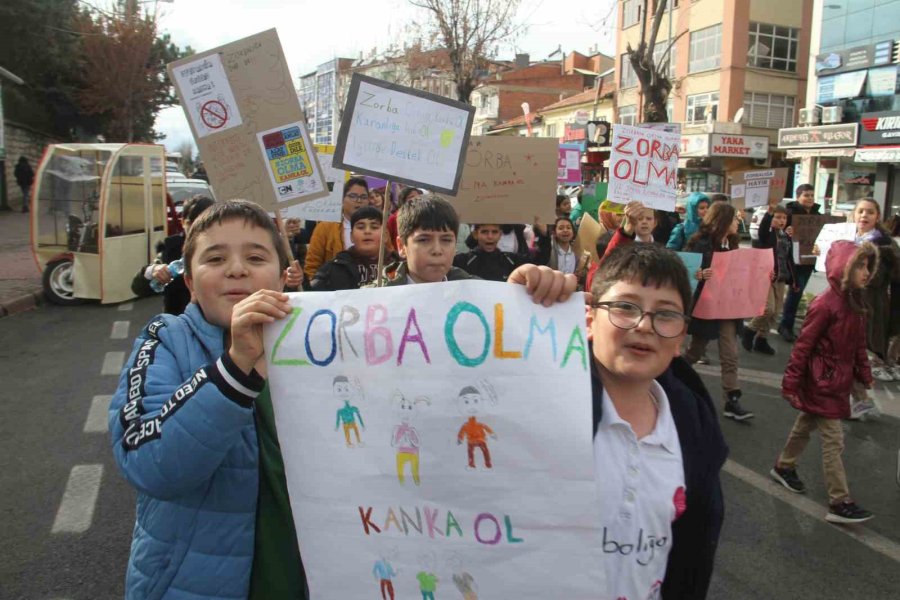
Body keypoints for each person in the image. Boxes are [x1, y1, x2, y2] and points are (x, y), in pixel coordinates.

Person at [109, 200, 295, 599]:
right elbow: (148, 463)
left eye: (256, 256)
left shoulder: (316, 344)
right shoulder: (165, 339)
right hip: (194, 584)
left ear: (282, 277)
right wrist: (236, 365)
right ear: (190, 284)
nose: (237, 269)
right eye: (215, 258)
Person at [588, 243, 727, 599]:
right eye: (625, 306)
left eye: (665, 314)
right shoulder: (549, 405)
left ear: (681, 337)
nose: (644, 324)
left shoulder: (693, 434)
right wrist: (518, 305)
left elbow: (692, 555)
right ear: (589, 319)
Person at [772, 240, 876, 524]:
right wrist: (791, 383)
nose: (867, 272)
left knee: (805, 424)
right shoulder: (825, 304)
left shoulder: (855, 302)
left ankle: (784, 466)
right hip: (822, 382)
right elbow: (803, 346)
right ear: (844, 268)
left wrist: (864, 375)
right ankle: (839, 500)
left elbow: (857, 346)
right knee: (834, 441)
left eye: (868, 265)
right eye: (860, 266)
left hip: (835, 383)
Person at [683, 203, 754, 420]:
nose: (737, 222)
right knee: (695, 351)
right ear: (723, 220)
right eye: (734, 219)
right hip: (707, 306)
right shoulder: (699, 242)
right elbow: (685, 268)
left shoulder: (733, 244)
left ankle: (731, 400)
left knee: (730, 354)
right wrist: (698, 274)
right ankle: (672, 376)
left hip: (728, 308)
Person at [130, 195, 215, 315]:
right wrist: (153, 271)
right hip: (178, 325)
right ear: (183, 222)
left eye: (205, 226)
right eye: (192, 225)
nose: (198, 232)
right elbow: (138, 288)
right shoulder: (171, 249)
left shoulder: (227, 249)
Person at [852, 198, 900, 381]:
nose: (864, 215)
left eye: (870, 212)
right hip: (847, 293)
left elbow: (893, 272)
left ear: (877, 216)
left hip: (872, 295)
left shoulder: (883, 241)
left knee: (874, 328)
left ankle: (877, 361)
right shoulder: (845, 236)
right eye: (861, 211)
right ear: (854, 214)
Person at [743, 205, 795, 355]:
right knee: (768, 309)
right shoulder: (768, 234)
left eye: (784, 218)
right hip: (766, 276)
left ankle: (762, 339)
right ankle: (750, 330)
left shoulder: (786, 236)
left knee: (776, 312)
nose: (781, 220)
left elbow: (789, 258)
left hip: (781, 278)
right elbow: (763, 230)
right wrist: (769, 213)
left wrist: (794, 280)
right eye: (778, 217)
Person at [304, 177, 370, 280]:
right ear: (342, 200)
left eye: (363, 197)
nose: (358, 201)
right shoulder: (324, 228)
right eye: (353, 196)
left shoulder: (379, 228)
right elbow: (311, 267)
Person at [779, 184, 821, 341]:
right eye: (806, 195)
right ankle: (785, 326)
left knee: (797, 292)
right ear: (798, 197)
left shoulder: (818, 214)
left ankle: (785, 324)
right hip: (792, 260)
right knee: (795, 292)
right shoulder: (789, 213)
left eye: (812, 195)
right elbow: (779, 229)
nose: (810, 198)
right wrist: (786, 231)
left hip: (809, 260)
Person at [309, 205, 384, 291]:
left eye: (374, 227)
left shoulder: (398, 266)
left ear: (385, 235)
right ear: (351, 236)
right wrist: (297, 282)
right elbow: (311, 294)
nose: (367, 231)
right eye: (360, 227)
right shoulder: (335, 268)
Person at [453, 223, 529, 282]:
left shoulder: (513, 261)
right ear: (475, 235)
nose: (490, 236)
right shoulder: (462, 261)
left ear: (500, 234)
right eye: (484, 232)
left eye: (494, 232)